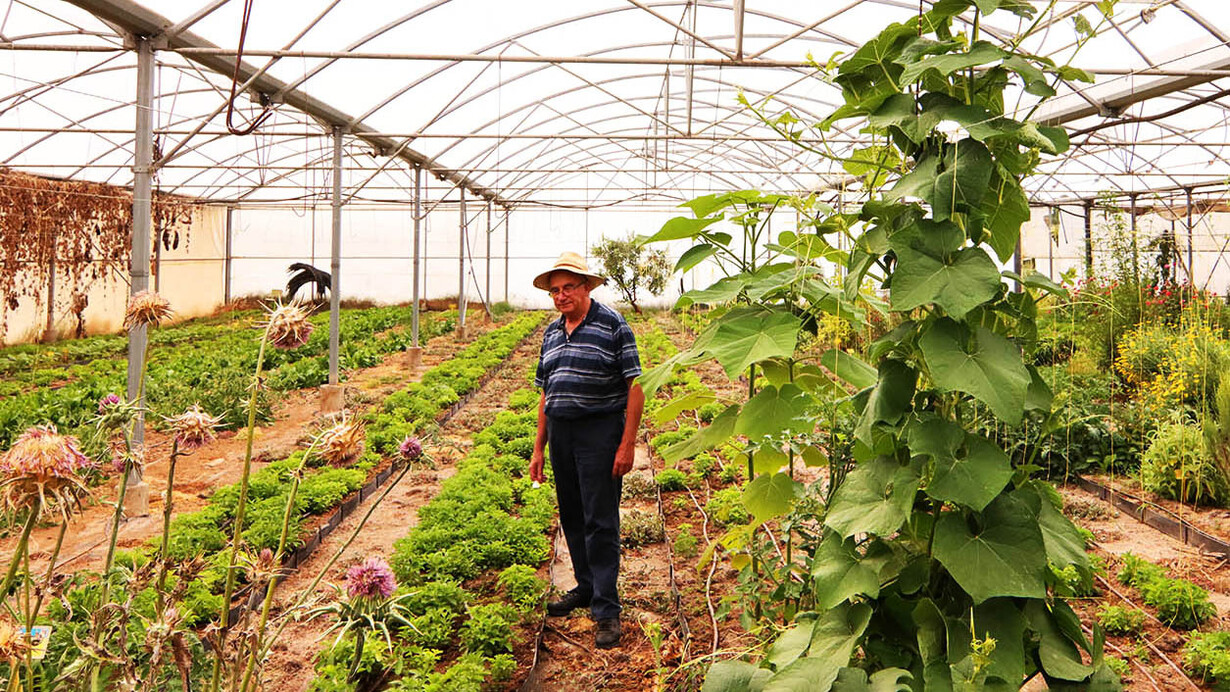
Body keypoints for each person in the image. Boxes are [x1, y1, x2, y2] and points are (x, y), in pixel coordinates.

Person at [529, 251, 644, 649]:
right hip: (562, 433)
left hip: (600, 431)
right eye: (555, 291)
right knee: (573, 516)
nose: (561, 296)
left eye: (568, 288)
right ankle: (585, 587)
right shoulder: (551, 332)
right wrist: (538, 448)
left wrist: (626, 444)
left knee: (601, 521)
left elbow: (635, 387)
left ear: (586, 287)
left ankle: (607, 610)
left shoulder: (613, 324)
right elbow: (546, 392)